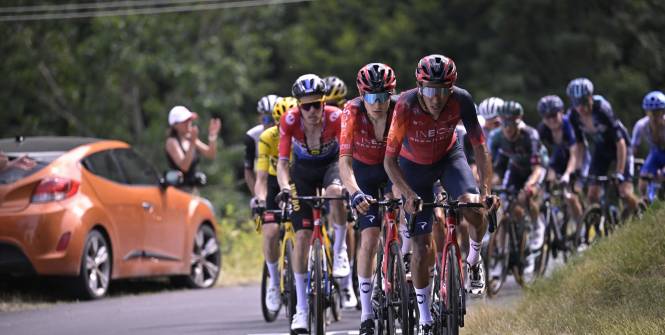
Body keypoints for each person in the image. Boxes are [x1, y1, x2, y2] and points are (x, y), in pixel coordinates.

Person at [383, 54, 498, 334]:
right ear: (420, 86)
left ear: (452, 87)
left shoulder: (462, 100)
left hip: (450, 158)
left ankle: (474, 260)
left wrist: (486, 190)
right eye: (430, 90)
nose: (436, 98)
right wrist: (408, 194)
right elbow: (389, 160)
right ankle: (424, 317)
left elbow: (480, 147)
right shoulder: (405, 105)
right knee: (421, 248)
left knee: (474, 207)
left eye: (443, 90)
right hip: (414, 167)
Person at [276, 74, 350, 333]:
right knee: (303, 236)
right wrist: (285, 188)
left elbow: (345, 157)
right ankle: (301, 310)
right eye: (305, 106)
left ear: (324, 103)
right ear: (298, 106)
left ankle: (340, 252)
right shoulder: (290, 121)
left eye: (316, 104)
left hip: (332, 166)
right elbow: (283, 164)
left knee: (334, 192)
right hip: (303, 173)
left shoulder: (335, 118)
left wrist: (347, 185)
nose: (311, 111)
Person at [339, 63, 397, 335]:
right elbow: (345, 164)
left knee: (410, 211)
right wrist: (355, 193)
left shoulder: (401, 108)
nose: (378, 103)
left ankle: (405, 259)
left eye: (384, 96)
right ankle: (366, 312)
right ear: (362, 95)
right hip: (364, 173)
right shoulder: (351, 111)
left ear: (392, 94)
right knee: (370, 237)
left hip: (394, 168)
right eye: (372, 97)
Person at [565, 78, 640, 215]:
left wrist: (619, 172)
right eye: (577, 104)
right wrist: (577, 170)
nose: (581, 108)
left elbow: (620, 142)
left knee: (624, 192)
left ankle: (641, 214)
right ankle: (600, 226)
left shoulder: (602, 109)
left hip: (621, 148)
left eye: (584, 103)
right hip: (601, 150)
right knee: (592, 195)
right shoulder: (573, 116)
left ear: (590, 98)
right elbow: (580, 145)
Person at [489, 101, 548, 271]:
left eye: (511, 123)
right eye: (504, 123)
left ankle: (537, 225)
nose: (507, 128)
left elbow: (537, 169)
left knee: (526, 195)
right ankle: (502, 253)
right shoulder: (496, 137)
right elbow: (490, 165)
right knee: (504, 206)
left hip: (535, 168)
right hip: (515, 168)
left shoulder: (530, 135)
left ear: (518, 121)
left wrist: (530, 185)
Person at [254, 96, 298, 313]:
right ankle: (273, 281)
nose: (284, 126)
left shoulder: (303, 134)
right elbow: (260, 179)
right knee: (270, 232)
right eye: (279, 122)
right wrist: (261, 201)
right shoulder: (267, 137)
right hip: (273, 183)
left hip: (298, 181)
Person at [536, 95, 583, 226]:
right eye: (547, 117)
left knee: (571, 197)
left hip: (577, 158)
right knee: (548, 182)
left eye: (554, 115)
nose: (551, 120)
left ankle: (581, 227)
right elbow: (536, 154)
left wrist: (568, 174)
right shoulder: (542, 129)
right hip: (558, 158)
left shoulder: (568, 125)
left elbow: (574, 154)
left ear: (561, 112)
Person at [165, 106, 221, 191]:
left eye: (189, 120)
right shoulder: (172, 142)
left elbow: (210, 154)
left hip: (192, 189)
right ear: (175, 125)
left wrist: (212, 136)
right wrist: (192, 142)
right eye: (184, 121)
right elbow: (184, 167)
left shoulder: (190, 139)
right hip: (178, 190)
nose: (188, 123)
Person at [245, 95, 280, 200]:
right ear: (259, 119)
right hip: (263, 182)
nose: (271, 124)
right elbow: (248, 171)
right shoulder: (252, 136)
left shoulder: (290, 133)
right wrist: (257, 198)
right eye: (266, 119)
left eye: (276, 119)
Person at [636, 91, 665, 199]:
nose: (653, 116)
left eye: (656, 112)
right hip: (655, 153)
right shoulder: (641, 125)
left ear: (662, 112)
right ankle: (644, 205)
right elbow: (633, 147)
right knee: (643, 180)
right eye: (650, 112)